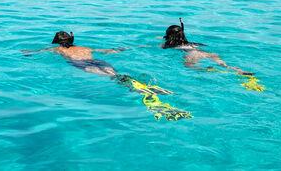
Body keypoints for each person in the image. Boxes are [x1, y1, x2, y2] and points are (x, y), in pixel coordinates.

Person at [24, 31, 192, 121]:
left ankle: (141, 91)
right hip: (99, 61)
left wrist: (28, 52)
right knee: (115, 74)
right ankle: (144, 87)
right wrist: (117, 50)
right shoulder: (84, 46)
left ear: (57, 42)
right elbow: (104, 51)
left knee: (113, 79)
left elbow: (40, 52)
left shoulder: (58, 50)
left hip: (82, 65)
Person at [162, 18, 264, 92]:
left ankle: (208, 69)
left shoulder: (169, 45)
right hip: (204, 52)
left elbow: (163, 45)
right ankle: (239, 71)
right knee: (225, 65)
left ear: (169, 36)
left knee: (190, 66)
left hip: (192, 54)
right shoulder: (191, 43)